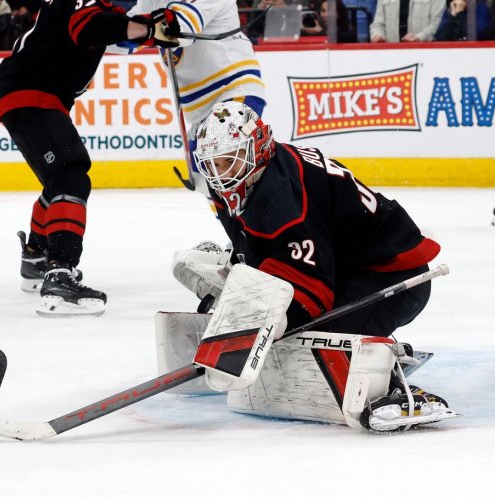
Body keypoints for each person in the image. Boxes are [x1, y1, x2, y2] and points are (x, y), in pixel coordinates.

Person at [166, 100, 456, 432]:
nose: (220, 174)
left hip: (396, 278)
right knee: (280, 311)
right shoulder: (250, 175)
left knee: (309, 333)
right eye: (212, 165)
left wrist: (269, 319)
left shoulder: (283, 200)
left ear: (256, 148)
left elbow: (314, 295)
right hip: (341, 261)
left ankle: (392, 385)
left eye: (228, 162)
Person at [1, 0, 181, 316]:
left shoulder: (98, 9)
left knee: (59, 180)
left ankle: (36, 256)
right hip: (33, 93)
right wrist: (151, 28)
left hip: (30, 93)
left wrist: (150, 28)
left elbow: (114, 31)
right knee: (71, 176)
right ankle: (59, 272)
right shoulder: (87, 4)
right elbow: (89, 27)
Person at [121, 0, 266, 204]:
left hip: (234, 90)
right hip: (200, 110)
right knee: (205, 177)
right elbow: (122, 30)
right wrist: (90, 34)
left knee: (227, 161)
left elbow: (180, 27)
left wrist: (132, 30)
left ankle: (259, 230)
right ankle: (238, 233)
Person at [370, 0, 446, 42]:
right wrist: (377, 35)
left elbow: (437, 22)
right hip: (392, 55)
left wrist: (419, 37)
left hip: (424, 54)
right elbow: (378, 24)